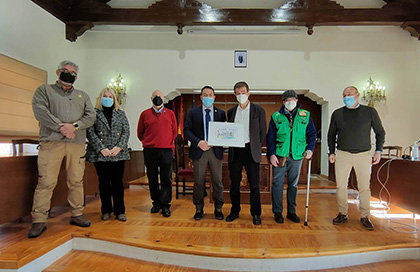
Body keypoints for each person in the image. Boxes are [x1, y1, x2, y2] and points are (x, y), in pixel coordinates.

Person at [28, 60, 96, 238]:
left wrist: (74, 126)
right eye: (65, 71)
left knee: (76, 180)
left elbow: (91, 116)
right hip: (51, 142)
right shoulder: (44, 91)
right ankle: (39, 220)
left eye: (73, 73)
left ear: (76, 76)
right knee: (46, 181)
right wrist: (61, 127)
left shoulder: (83, 96)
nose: (69, 74)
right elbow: (40, 111)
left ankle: (77, 214)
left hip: (76, 143)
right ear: (58, 72)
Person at [328, 86, 385, 231]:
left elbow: (380, 132)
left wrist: (378, 150)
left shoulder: (370, 112)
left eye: (349, 94)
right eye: (344, 94)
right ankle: (342, 213)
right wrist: (331, 152)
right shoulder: (337, 113)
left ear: (357, 95)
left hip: (363, 155)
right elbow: (331, 134)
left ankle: (365, 216)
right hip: (342, 154)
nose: (346, 96)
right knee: (341, 186)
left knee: (364, 187)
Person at [267, 90, 316, 224]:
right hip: (280, 155)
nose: (290, 102)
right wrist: (271, 154)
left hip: (297, 155)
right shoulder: (276, 117)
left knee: (293, 184)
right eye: (287, 100)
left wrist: (310, 149)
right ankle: (277, 212)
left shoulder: (305, 116)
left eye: (292, 99)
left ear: (296, 100)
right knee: (277, 184)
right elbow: (270, 137)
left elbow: (312, 135)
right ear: (283, 102)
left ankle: (291, 212)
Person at [225, 81, 267, 225]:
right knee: (234, 184)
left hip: (251, 150)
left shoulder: (258, 110)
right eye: (238, 93)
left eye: (243, 92)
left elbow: (263, 132)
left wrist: (256, 146)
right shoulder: (231, 112)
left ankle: (256, 213)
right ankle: (234, 211)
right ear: (235, 95)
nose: (241, 95)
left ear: (248, 93)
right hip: (235, 151)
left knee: (255, 184)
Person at [86, 88, 130, 222]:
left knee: (118, 183)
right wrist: (101, 148)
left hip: (118, 154)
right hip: (101, 155)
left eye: (111, 97)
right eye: (105, 96)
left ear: (114, 99)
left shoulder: (120, 114)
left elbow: (126, 132)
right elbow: (90, 132)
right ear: (100, 98)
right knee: (104, 183)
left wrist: (118, 147)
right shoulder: (93, 113)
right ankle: (106, 210)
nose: (108, 98)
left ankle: (120, 211)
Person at [184, 86, 226, 220]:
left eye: (210, 95)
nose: (208, 97)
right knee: (198, 181)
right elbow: (187, 130)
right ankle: (198, 208)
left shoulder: (221, 113)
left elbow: (224, 131)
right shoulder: (193, 112)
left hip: (215, 151)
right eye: (205, 95)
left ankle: (218, 208)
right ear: (201, 97)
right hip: (199, 150)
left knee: (217, 181)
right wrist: (198, 142)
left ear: (214, 97)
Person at [137, 90, 177, 217]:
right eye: (155, 96)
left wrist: (167, 143)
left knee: (166, 178)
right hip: (150, 150)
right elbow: (140, 133)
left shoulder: (170, 114)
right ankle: (156, 203)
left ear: (163, 98)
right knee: (152, 177)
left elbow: (174, 131)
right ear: (151, 98)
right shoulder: (145, 114)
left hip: (166, 150)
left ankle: (165, 205)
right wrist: (148, 142)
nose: (157, 98)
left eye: (159, 96)